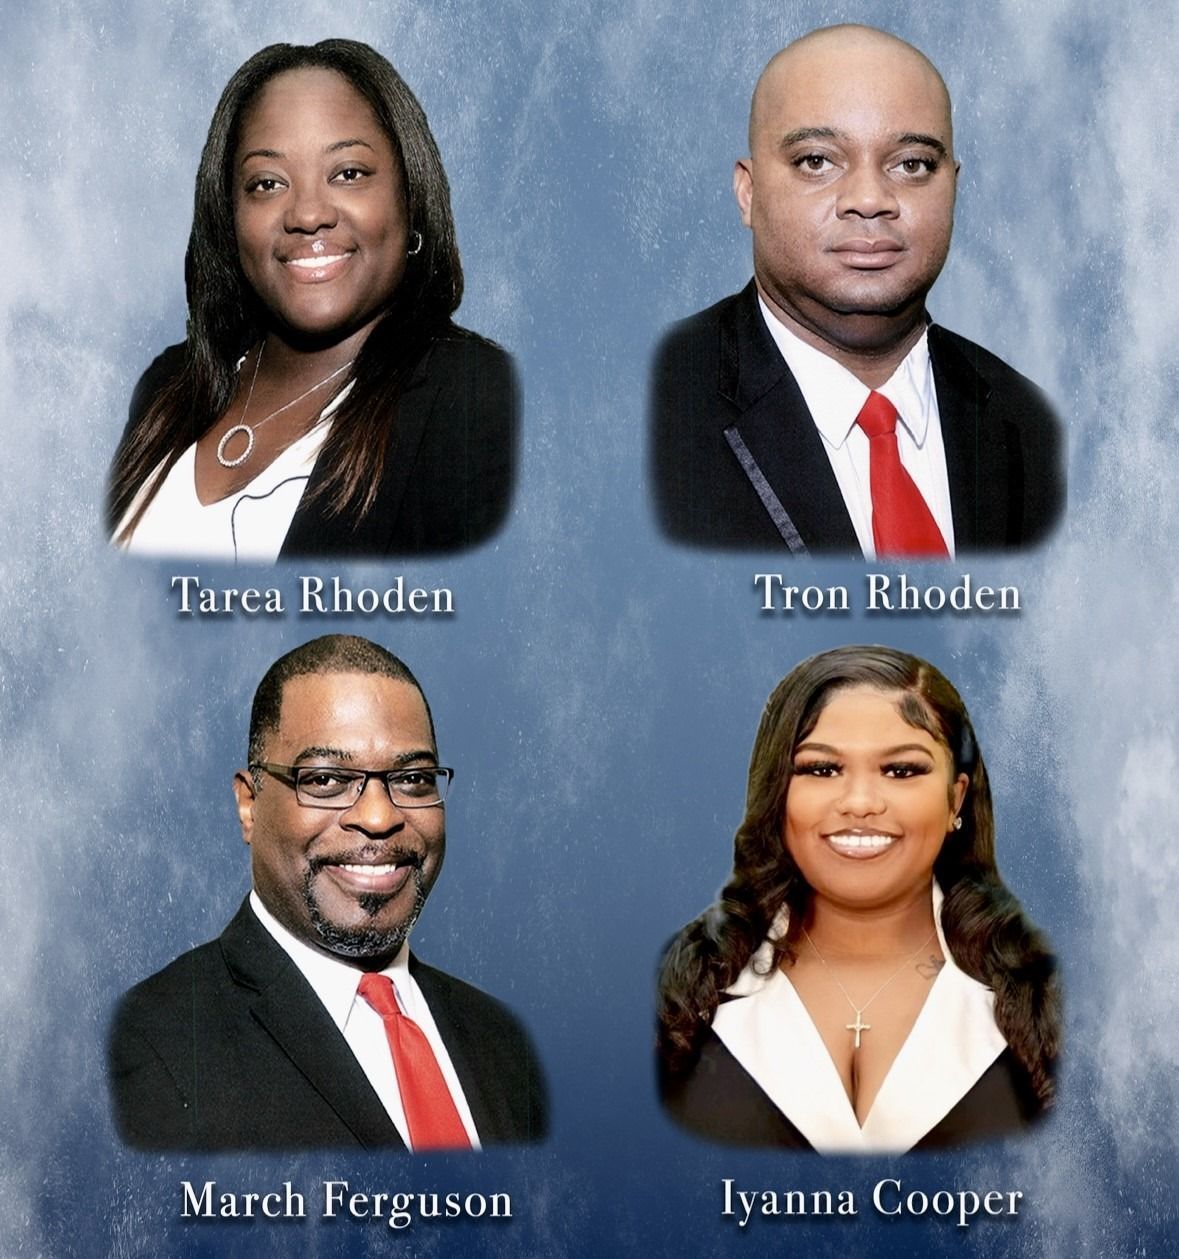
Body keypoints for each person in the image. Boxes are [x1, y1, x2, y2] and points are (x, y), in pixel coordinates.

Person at [109, 635, 547, 1150]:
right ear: (249, 805)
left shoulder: (505, 1044)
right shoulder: (154, 1047)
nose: (380, 817)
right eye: (325, 779)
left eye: (412, 779)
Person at [650, 25, 1064, 556]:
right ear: (748, 193)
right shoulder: (654, 410)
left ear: (954, 186)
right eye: (817, 161)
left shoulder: (1029, 425)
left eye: (912, 164)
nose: (869, 199)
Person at [108, 40, 517, 561]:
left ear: (410, 198)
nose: (307, 213)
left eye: (348, 173)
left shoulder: (475, 400)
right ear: (229, 218)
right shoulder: (166, 388)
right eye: (267, 183)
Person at [657, 646, 1059, 1152]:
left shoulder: (1044, 999)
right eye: (822, 769)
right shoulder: (680, 997)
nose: (861, 804)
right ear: (777, 794)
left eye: (901, 771)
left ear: (956, 798)